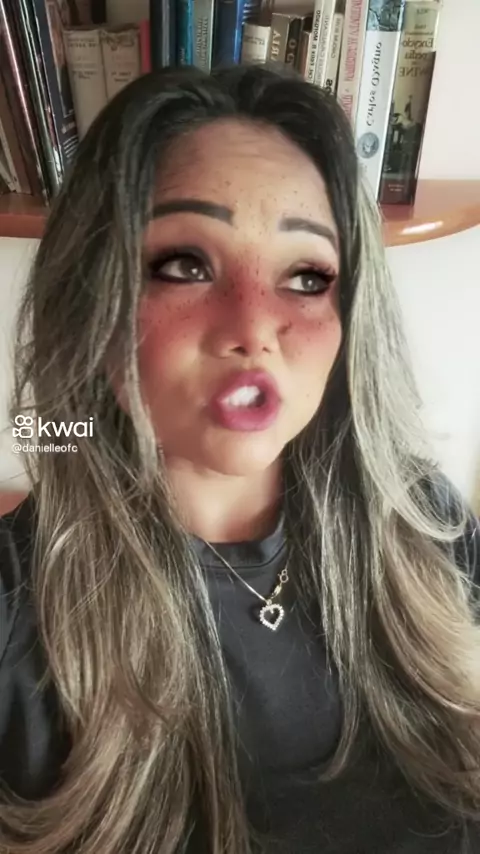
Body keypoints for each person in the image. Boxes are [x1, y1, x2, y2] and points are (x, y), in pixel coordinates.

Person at [0, 64, 479, 854]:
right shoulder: (19, 612)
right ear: (94, 298)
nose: (254, 329)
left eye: (306, 276)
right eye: (186, 264)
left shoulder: (427, 526)